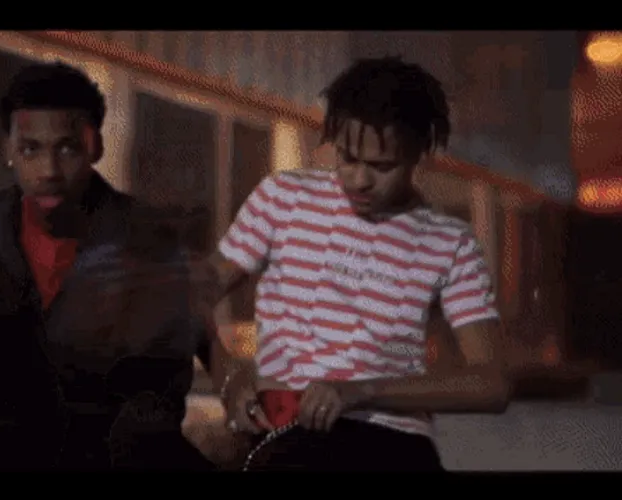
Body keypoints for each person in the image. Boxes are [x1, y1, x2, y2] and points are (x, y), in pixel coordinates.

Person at [210, 56, 511, 471]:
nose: (359, 180)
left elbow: (491, 384)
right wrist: (230, 379)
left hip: (394, 441)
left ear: (418, 154)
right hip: (292, 436)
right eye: (348, 158)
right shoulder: (283, 199)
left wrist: (360, 390)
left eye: (382, 166)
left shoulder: (450, 243)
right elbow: (188, 299)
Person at [0, 61, 219, 471]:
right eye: (30, 149)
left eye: (66, 149)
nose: (48, 172)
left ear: (95, 147)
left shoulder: (148, 238)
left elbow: (157, 394)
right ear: (8, 150)